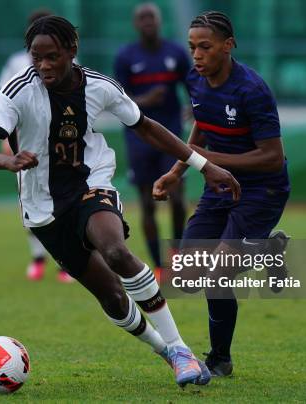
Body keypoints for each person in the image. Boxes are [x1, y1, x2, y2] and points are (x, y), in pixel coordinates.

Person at [0, 15, 241, 387]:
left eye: (53, 57)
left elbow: (146, 126)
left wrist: (201, 164)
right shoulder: (17, 91)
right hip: (43, 209)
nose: (44, 66)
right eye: (37, 57)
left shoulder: (98, 86)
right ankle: (164, 350)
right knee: (111, 296)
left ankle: (181, 350)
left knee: (115, 251)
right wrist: (8, 160)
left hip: (90, 184)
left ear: (71, 51)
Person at [153, 11, 290, 377]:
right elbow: (202, 124)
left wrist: (206, 159)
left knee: (218, 275)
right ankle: (266, 250)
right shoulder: (195, 81)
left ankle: (219, 359)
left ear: (228, 46)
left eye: (206, 47)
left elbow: (273, 156)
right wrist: (176, 170)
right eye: (192, 47)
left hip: (263, 189)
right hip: (219, 186)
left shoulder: (252, 90)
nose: (197, 55)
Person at [0, 9, 73, 283]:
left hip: (62, 145)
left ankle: (67, 262)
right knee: (29, 202)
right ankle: (38, 257)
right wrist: (6, 140)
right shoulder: (17, 64)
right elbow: (3, 104)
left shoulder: (68, 60)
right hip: (26, 146)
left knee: (66, 204)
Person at [114, 3, 190, 276]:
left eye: (152, 17)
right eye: (142, 18)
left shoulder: (176, 53)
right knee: (147, 203)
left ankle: (177, 252)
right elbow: (117, 100)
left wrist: (194, 107)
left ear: (160, 22)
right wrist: (146, 100)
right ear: (136, 24)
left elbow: (192, 85)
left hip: (171, 136)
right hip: (139, 138)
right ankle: (158, 265)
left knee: (178, 198)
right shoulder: (125, 56)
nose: (148, 22)